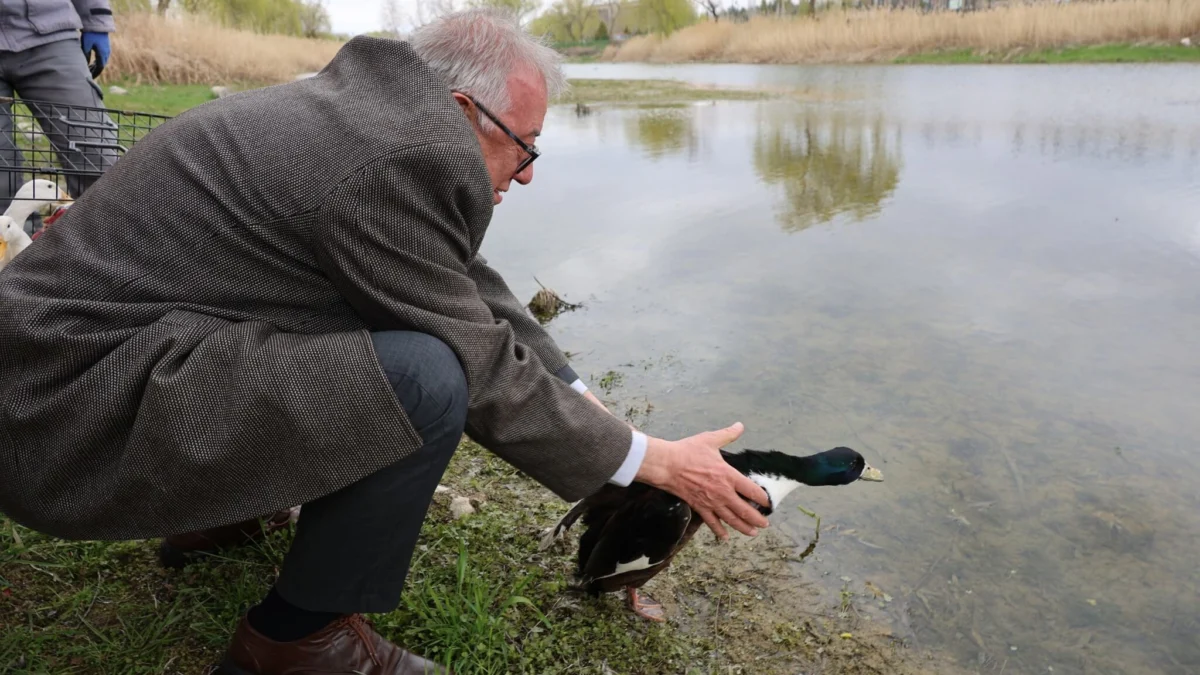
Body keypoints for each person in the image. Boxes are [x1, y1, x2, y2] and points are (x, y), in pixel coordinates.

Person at [0, 8, 770, 674]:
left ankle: (218, 513)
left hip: (68, 368)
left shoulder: (367, 119)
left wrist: (585, 401)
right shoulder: (390, 159)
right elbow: (476, 358)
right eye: (525, 145)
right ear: (466, 109)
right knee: (427, 374)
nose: (529, 173)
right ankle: (298, 641)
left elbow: (464, 279)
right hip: (65, 411)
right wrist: (653, 460)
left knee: (395, 329)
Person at [0, 0, 118, 230]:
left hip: (49, 32)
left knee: (95, 157)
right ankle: (16, 260)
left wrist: (96, 19)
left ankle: (108, 248)